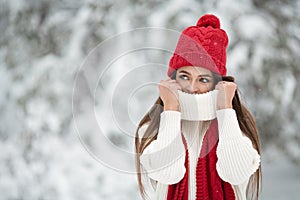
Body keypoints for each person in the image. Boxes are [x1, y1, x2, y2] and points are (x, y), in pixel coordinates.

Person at [135, 14, 261, 200]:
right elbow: (168, 173)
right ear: (173, 78)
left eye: (203, 79)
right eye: (184, 76)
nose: (192, 88)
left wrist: (226, 110)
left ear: (216, 82)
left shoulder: (236, 124)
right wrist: (170, 110)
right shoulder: (153, 127)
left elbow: (235, 173)